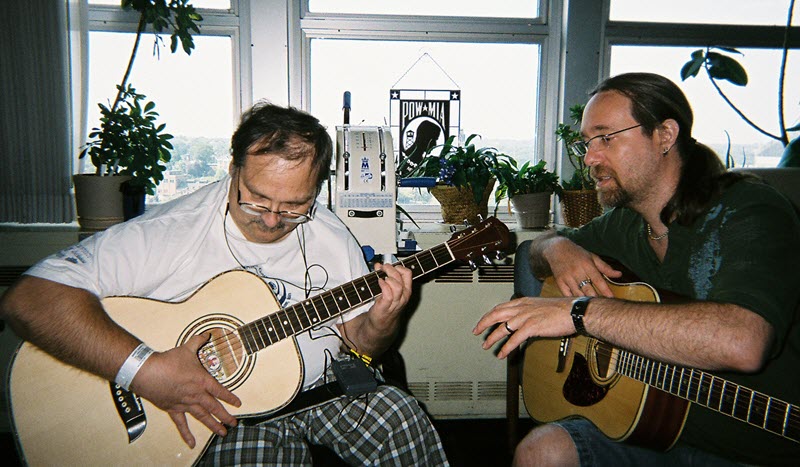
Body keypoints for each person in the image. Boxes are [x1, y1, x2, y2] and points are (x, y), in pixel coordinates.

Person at [0, 102, 448, 465]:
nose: (273, 220)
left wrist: (383, 320)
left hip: (325, 390)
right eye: (256, 198)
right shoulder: (172, 230)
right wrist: (145, 370)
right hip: (224, 412)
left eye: (295, 205)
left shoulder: (329, 233)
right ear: (233, 169)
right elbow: (29, 298)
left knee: (402, 418)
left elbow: (363, 345)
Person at [474, 72, 800, 466]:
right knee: (540, 452)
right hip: (651, 432)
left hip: (757, 447)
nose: (590, 158)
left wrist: (579, 314)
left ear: (664, 135)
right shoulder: (627, 222)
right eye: (587, 143)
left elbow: (743, 344)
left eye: (606, 138)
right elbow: (535, 252)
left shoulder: (750, 211)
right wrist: (558, 246)